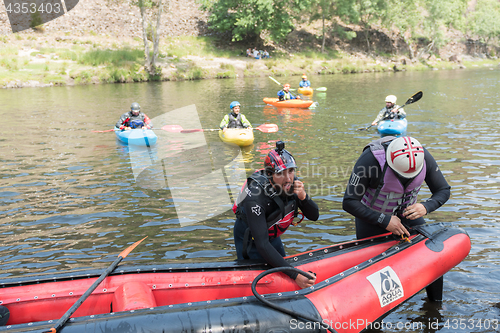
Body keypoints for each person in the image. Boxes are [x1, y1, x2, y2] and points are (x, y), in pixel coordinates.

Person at [342, 135, 451, 301]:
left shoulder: (422, 156)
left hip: (407, 215)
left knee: (432, 256)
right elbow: (349, 202)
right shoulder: (370, 161)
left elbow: (443, 189)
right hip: (371, 217)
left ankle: (436, 306)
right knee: (375, 272)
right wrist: (384, 220)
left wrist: (425, 207)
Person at [233, 141, 319, 289]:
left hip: (272, 236)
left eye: (291, 171)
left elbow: (314, 216)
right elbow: (262, 244)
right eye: (280, 173)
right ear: (269, 175)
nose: (288, 179)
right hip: (250, 238)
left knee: (281, 269)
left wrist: (304, 197)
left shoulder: (293, 185)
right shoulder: (255, 197)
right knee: (258, 280)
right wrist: (295, 275)